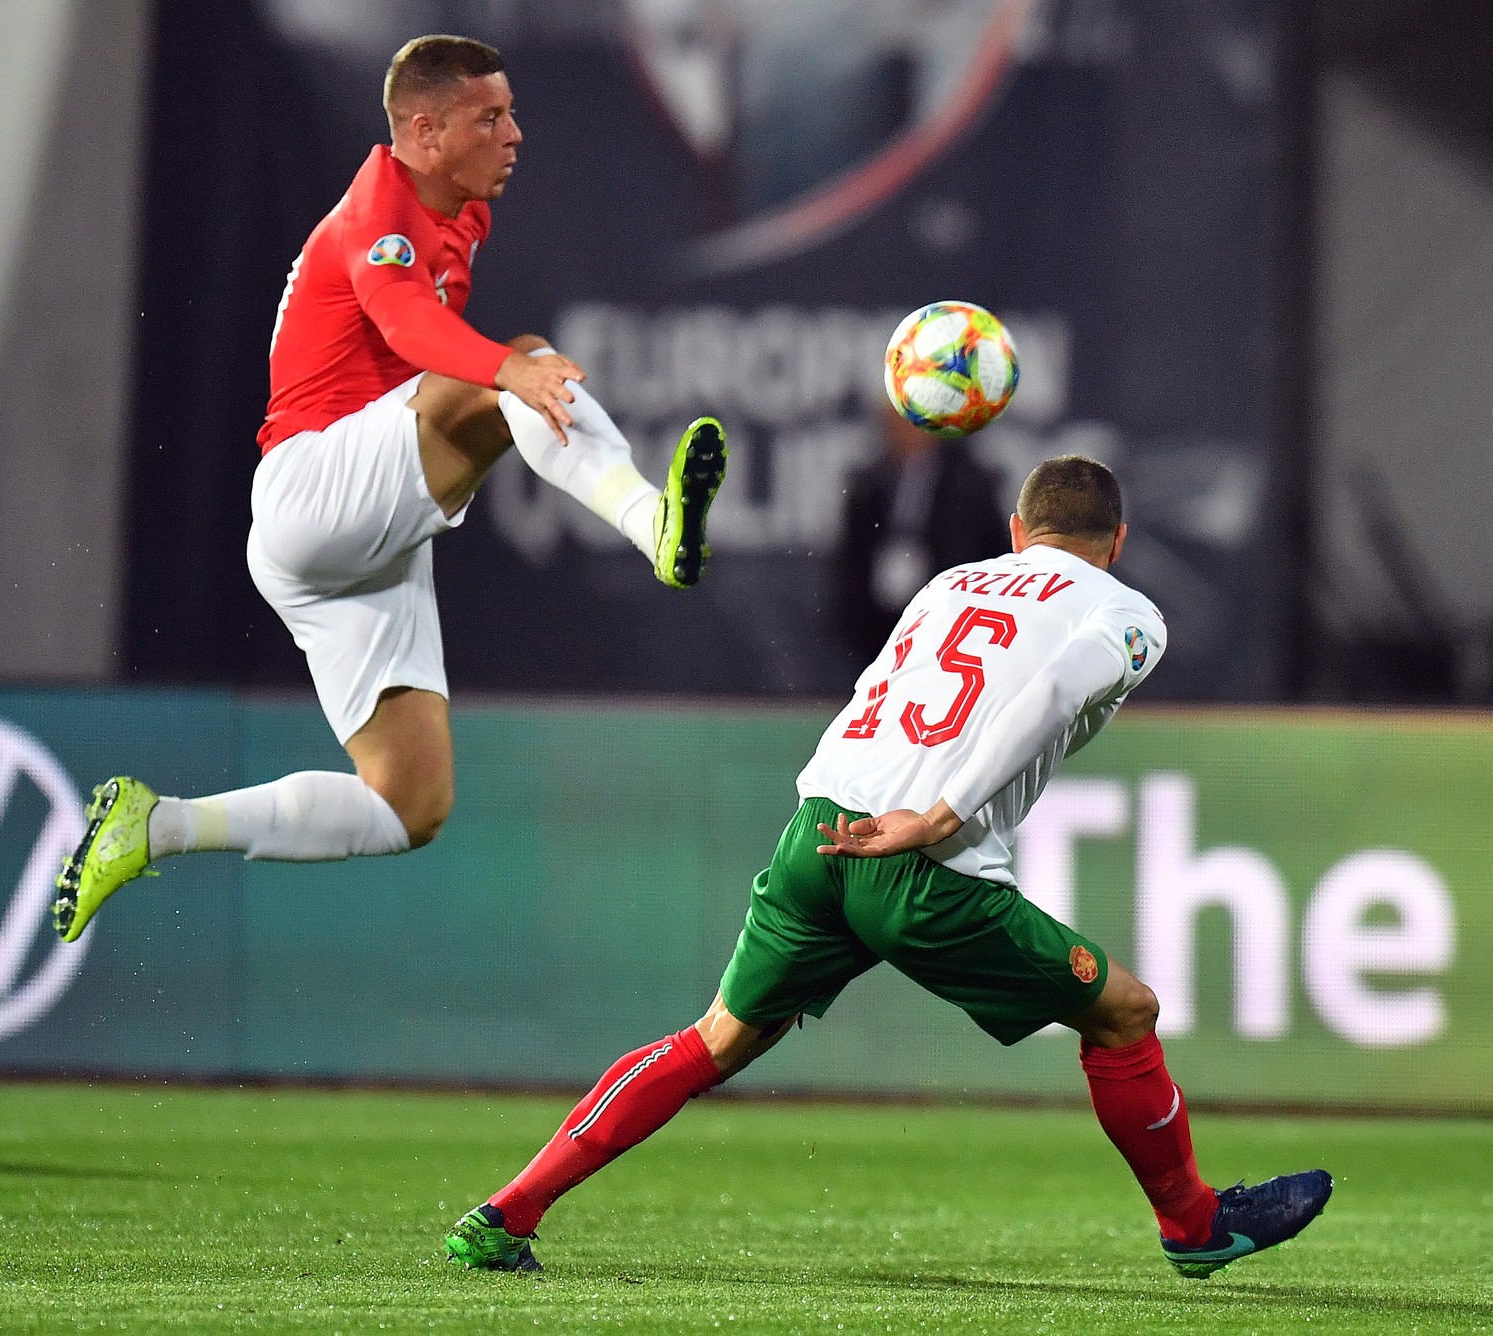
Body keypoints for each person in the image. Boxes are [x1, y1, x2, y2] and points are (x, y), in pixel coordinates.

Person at [443, 456, 1332, 1279]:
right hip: (923, 859)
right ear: (1119, 543)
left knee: (713, 1038)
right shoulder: (1125, 608)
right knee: (1125, 1013)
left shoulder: (950, 582)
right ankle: (1193, 1225)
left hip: (818, 831)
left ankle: (506, 1214)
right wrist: (943, 814)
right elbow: (1056, 688)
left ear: (1018, 533)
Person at [52, 35, 727, 942]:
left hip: (354, 548)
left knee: (409, 805)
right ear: (424, 129)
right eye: (491, 117)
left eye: (512, 111)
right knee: (518, 364)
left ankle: (156, 824)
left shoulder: (465, 214)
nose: (516, 133)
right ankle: (655, 526)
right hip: (311, 490)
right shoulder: (380, 207)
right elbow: (405, 322)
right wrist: (504, 374)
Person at [834, 402, 1012, 667]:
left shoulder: (969, 482)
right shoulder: (868, 485)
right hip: (879, 629)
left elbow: (991, 551)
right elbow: (850, 562)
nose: (900, 432)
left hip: (950, 622)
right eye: (893, 424)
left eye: (909, 423)